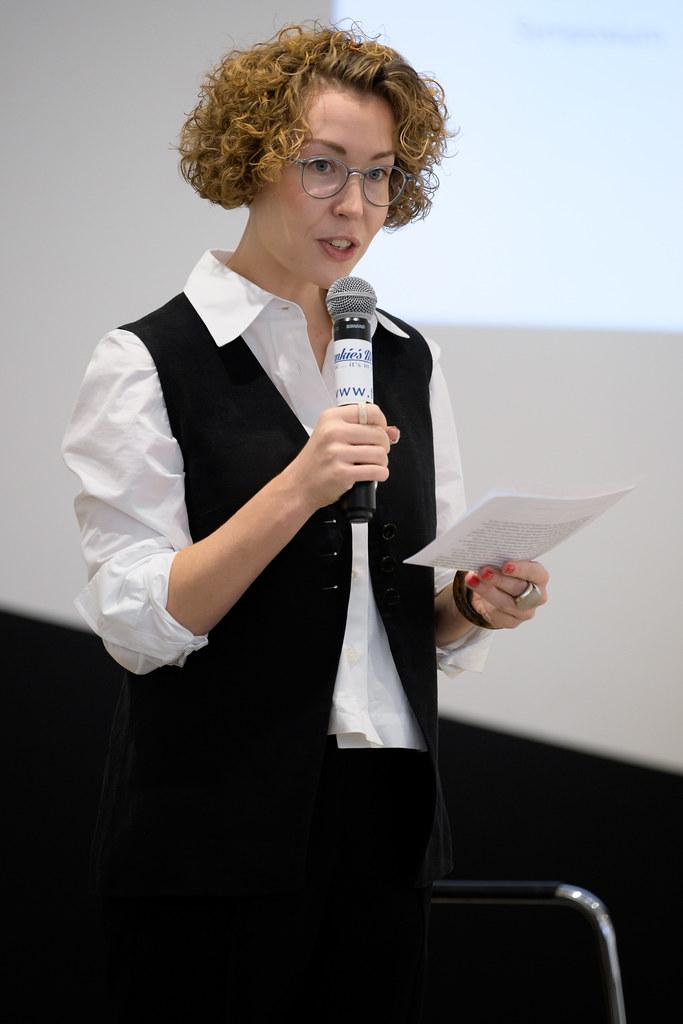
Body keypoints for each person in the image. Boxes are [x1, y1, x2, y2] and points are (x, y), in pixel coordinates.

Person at [62, 23, 549, 1023]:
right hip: (211, 825)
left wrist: (473, 602)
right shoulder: (145, 359)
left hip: (384, 813)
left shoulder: (404, 356)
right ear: (251, 160)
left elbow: (410, 603)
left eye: (379, 174)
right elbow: (138, 625)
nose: (354, 206)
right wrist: (297, 486)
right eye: (322, 166)